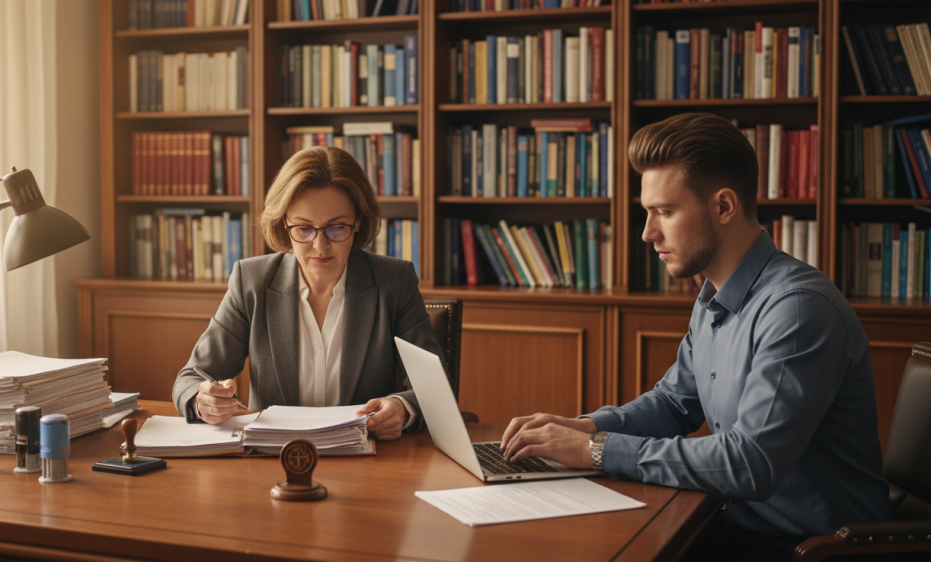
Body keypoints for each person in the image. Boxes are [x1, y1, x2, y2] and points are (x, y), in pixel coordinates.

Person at [500, 113, 891, 560]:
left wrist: (595, 450)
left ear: (723, 207)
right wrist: (584, 426)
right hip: (740, 530)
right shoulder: (713, 296)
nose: (648, 233)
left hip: (810, 551)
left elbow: (750, 464)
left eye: (664, 212)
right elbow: (673, 403)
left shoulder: (798, 309)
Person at [173, 146, 445, 440]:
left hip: (365, 460)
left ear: (358, 223)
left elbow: (436, 391)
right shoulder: (251, 281)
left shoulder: (394, 281)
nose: (320, 246)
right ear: (283, 224)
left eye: (337, 227)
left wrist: (402, 408)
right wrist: (202, 401)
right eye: (303, 228)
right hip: (271, 460)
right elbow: (190, 378)